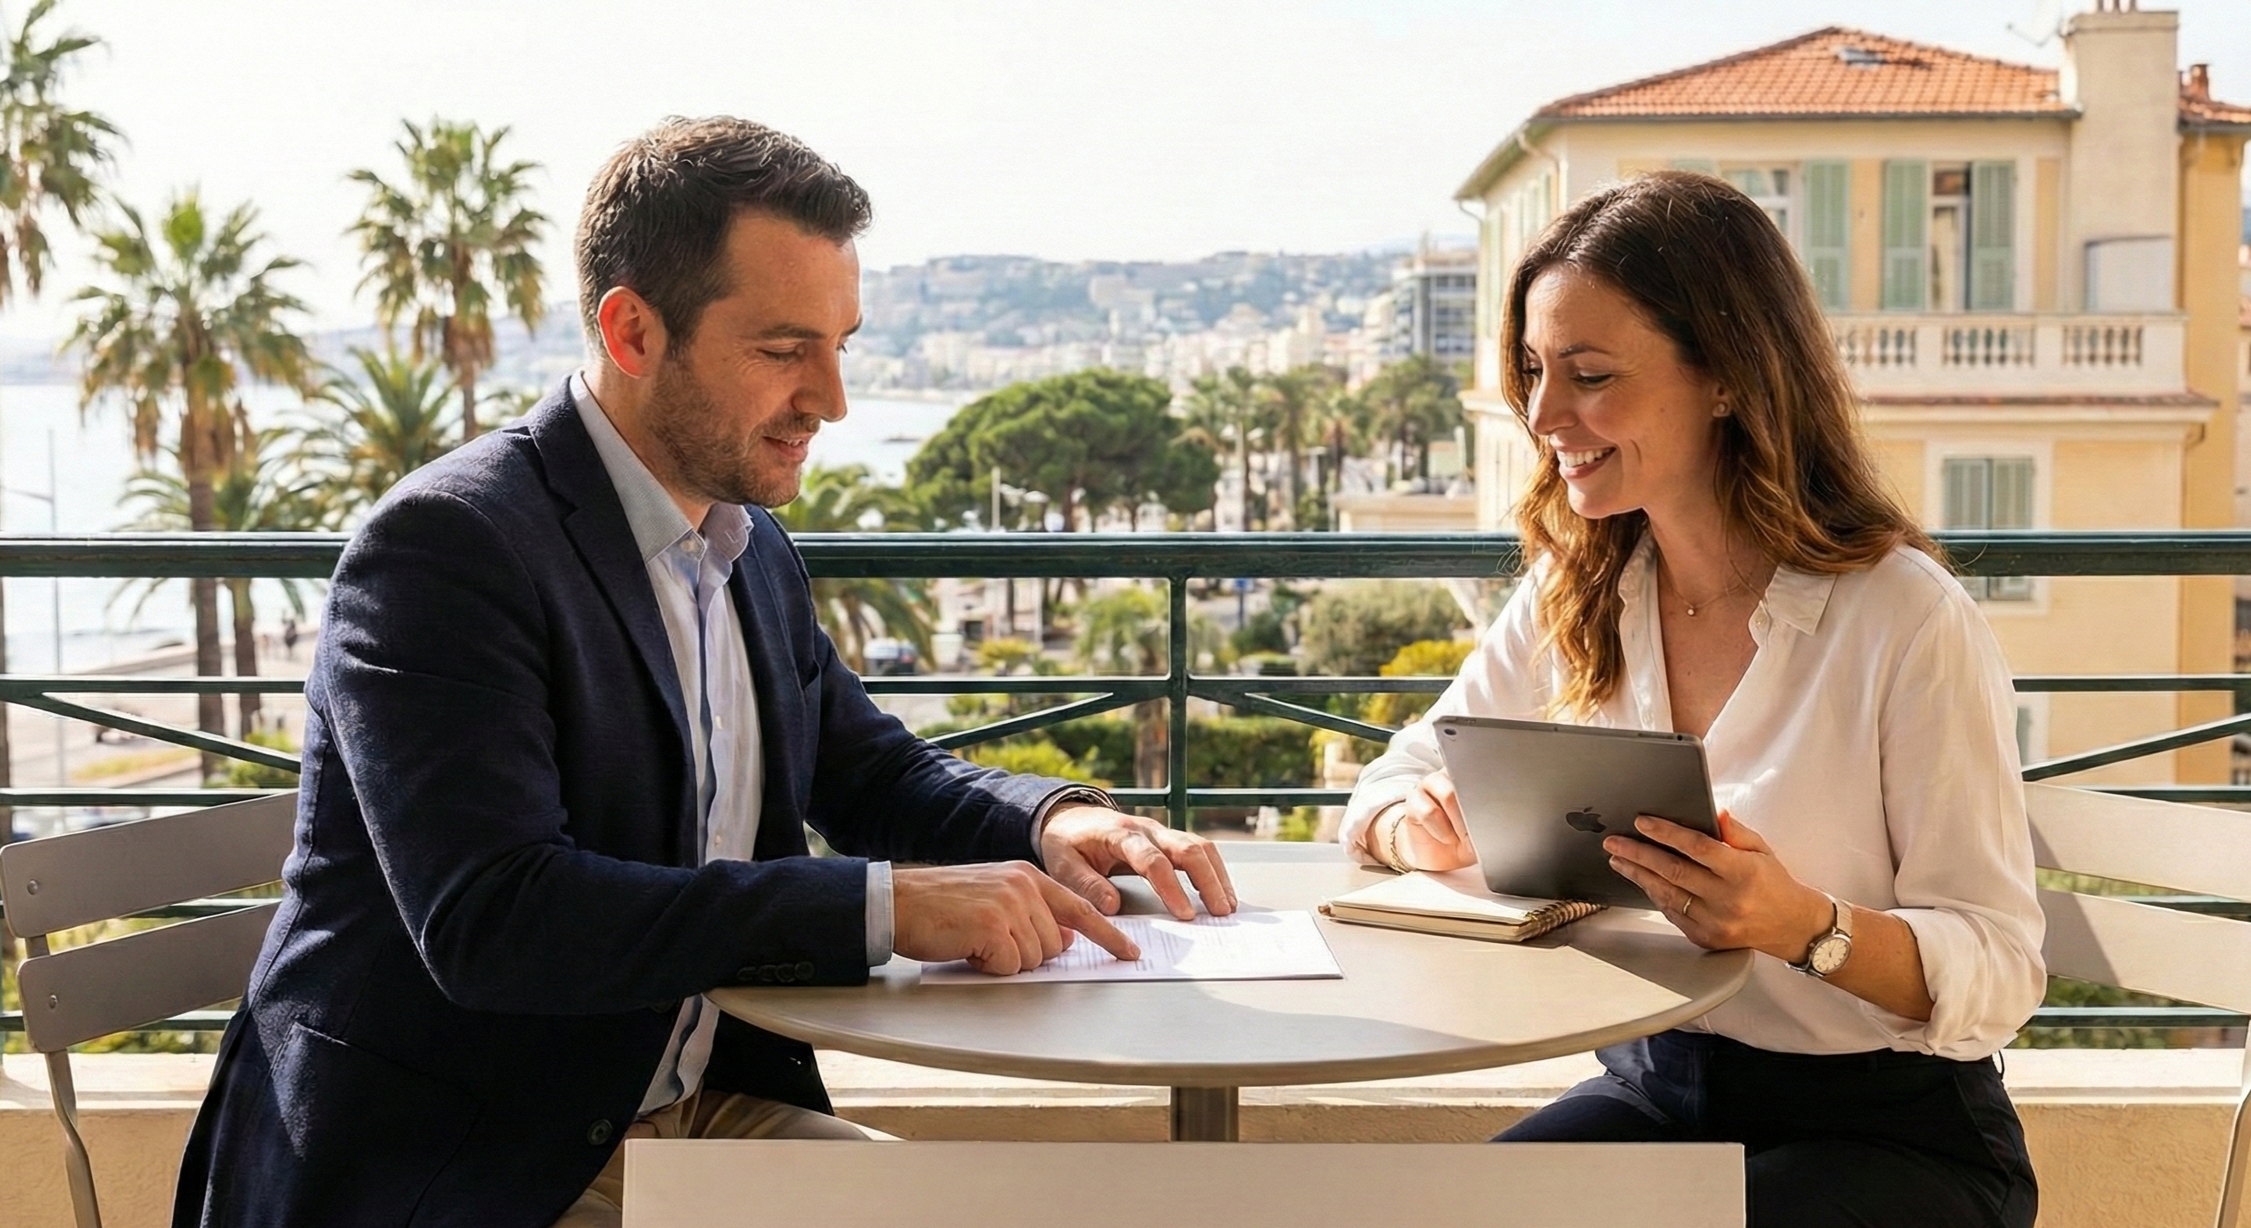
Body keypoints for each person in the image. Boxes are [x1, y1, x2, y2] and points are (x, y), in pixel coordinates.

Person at [172, 116, 1237, 1228]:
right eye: (783, 350)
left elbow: (868, 771)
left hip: (690, 1115)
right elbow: (497, 919)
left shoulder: (744, 542)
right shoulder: (449, 548)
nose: (830, 399)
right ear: (632, 330)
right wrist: (880, 906)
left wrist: (1051, 820)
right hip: (465, 1167)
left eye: (841, 345)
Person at [1340, 172, 2043, 1228]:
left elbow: (2001, 969)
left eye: (1588, 374)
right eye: (1532, 370)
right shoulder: (1578, 588)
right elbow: (1390, 779)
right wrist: (1414, 824)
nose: (1543, 414)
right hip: (1656, 1091)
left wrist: (1805, 927)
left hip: (1890, 1132)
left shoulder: (1903, 618)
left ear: (1724, 378)